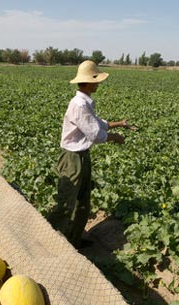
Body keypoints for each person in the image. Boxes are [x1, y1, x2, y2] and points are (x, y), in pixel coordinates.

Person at [47, 60, 135, 248]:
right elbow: (95, 134)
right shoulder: (79, 105)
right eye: (95, 80)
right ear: (87, 82)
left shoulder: (85, 103)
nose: (98, 84)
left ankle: (74, 240)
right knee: (65, 203)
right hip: (72, 159)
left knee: (83, 201)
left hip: (82, 156)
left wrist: (119, 123)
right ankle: (47, 240)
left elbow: (97, 123)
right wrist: (115, 138)